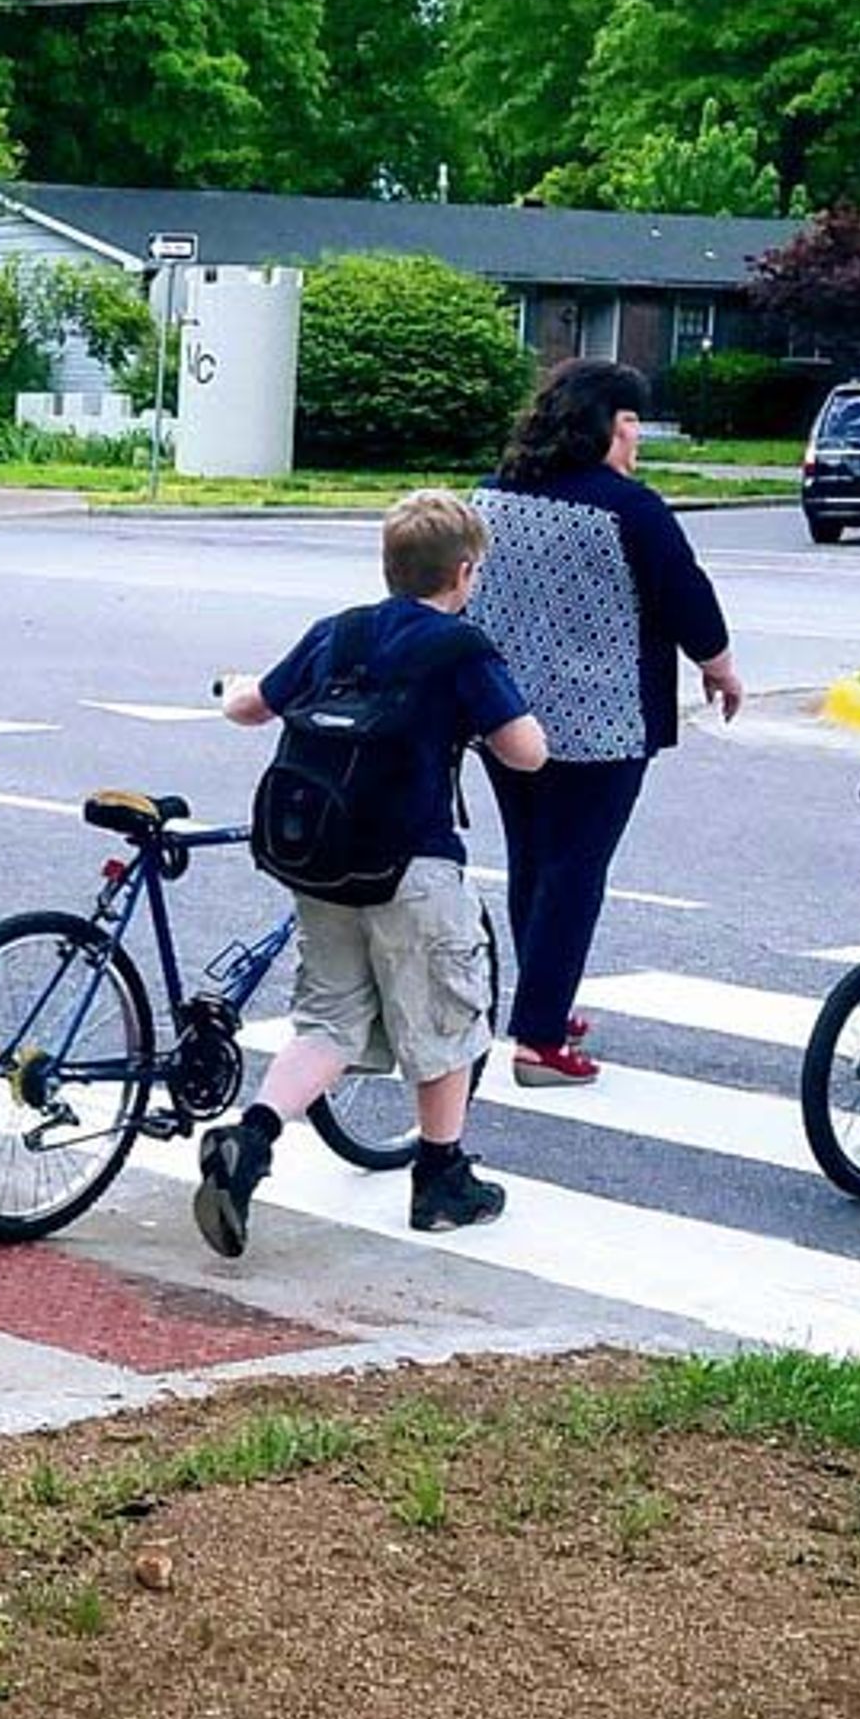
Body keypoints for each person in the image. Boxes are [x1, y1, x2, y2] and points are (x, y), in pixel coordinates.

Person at [203, 489, 547, 1253]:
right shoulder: (461, 648)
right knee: (446, 1020)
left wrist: (230, 687)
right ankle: (442, 1179)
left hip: (320, 862)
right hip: (412, 865)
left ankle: (251, 1141)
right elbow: (527, 751)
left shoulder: (339, 632)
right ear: (464, 572)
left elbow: (253, 706)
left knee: (328, 1020)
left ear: (389, 566)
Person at [468, 357, 745, 1087]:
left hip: (502, 714)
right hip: (602, 720)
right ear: (603, 425)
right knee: (575, 868)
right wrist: (718, 666)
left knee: (532, 858)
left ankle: (543, 1002)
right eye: (630, 424)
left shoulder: (493, 495)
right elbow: (686, 597)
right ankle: (538, 1039)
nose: (637, 439)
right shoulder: (631, 509)